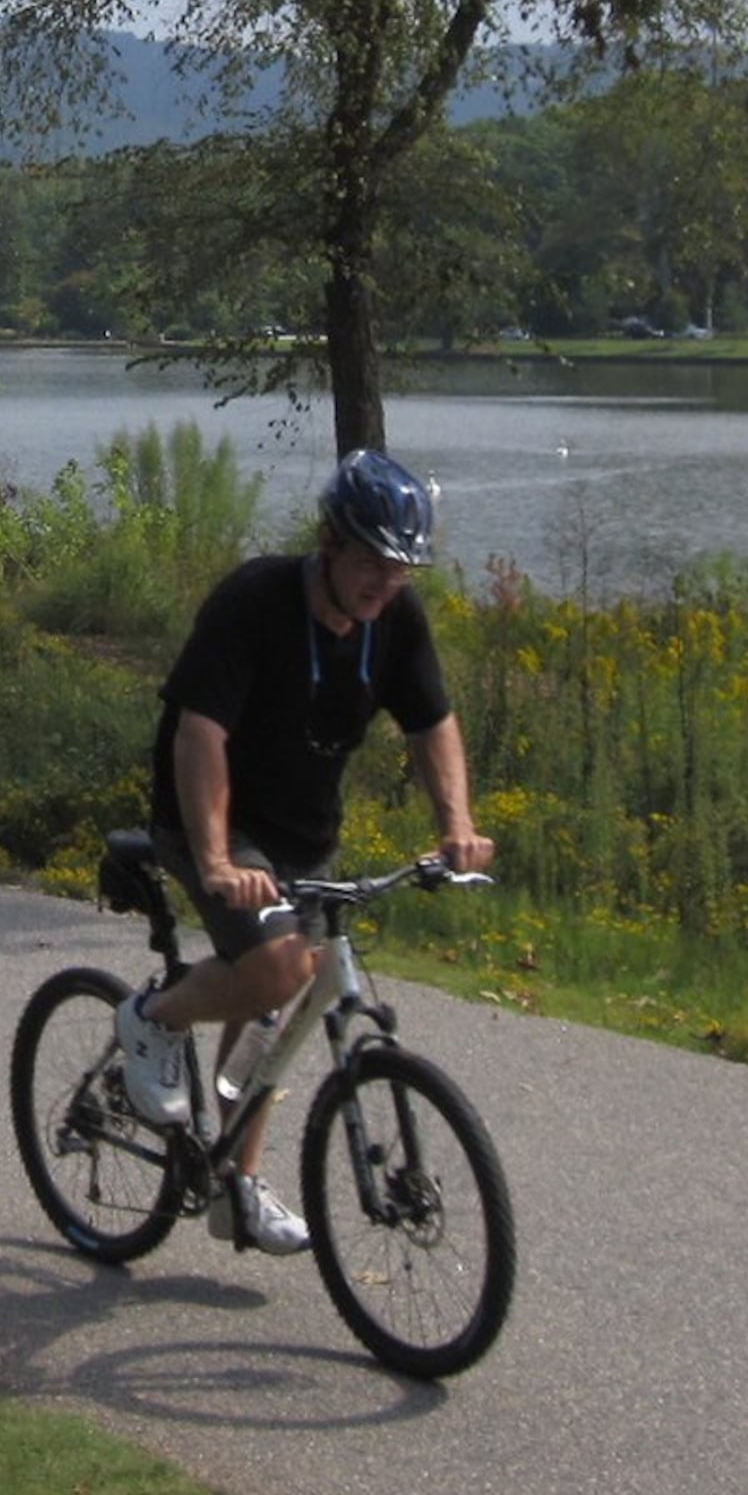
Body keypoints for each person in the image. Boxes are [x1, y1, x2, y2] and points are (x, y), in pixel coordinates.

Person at [115, 449, 494, 1254]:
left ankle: (234, 1187)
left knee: (278, 999)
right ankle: (151, 1018)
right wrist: (216, 861)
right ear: (330, 540)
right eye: (371, 563)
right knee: (281, 968)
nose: (384, 584)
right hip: (209, 817)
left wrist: (456, 826)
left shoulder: (396, 618)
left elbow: (432, 724)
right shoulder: (254, 601)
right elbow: (200, 734)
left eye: (400, 569)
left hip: (301, 833)